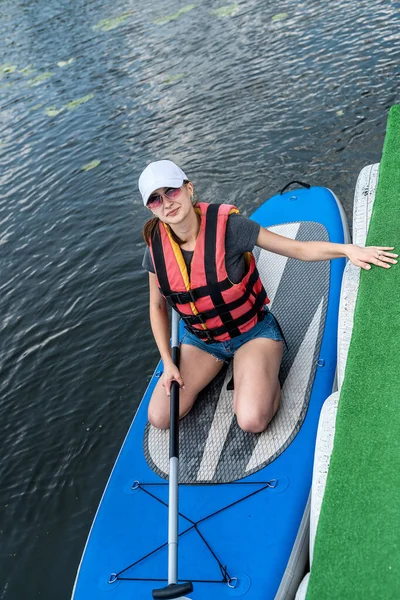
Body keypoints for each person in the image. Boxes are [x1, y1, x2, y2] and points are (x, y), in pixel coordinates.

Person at [139, 160, 397, 434]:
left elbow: (298, 249)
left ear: (189, 189)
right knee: (159, 416)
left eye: (172, 191)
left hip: (252, 333)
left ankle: (258, 374)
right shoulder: (155, 247)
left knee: (251, 420)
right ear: (150, 209)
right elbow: (157, 306)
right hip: (203, 343)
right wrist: (168, 363)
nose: (166, 202)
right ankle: (237, 369)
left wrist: (348, 250)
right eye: (155, 199)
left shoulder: (231, 228)